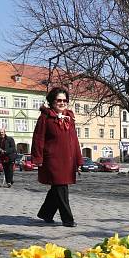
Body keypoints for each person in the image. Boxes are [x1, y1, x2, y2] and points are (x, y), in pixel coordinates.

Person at [31, 87, 84, 227]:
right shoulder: (45, 118)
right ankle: (68, 219)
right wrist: (38, 158)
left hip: (68, 160)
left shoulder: (69, 118)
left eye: (64, 100)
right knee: (61, 187)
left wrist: (79, 160)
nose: (62, 103)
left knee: (57, 188)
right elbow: (38, 139)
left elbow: (74, 140)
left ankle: (46, 213)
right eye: (59, 100)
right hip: (52, 160)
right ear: (52, 101)